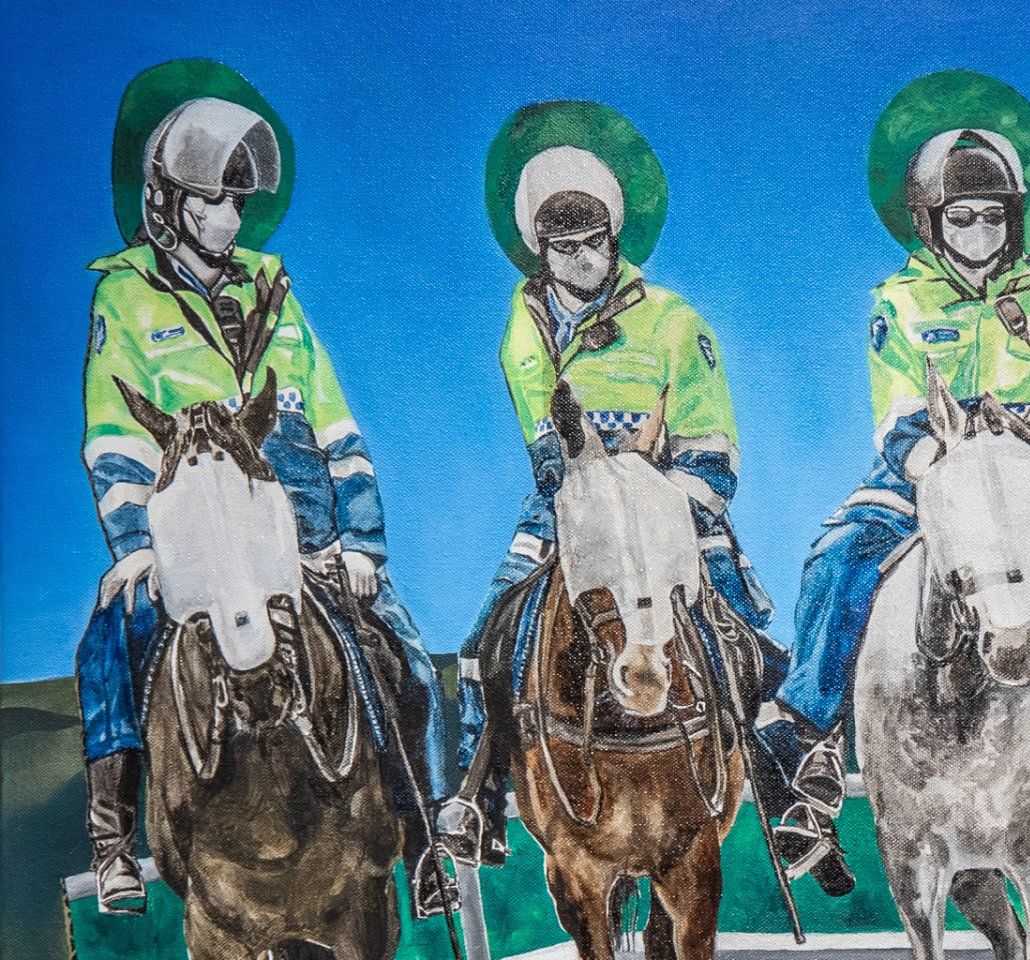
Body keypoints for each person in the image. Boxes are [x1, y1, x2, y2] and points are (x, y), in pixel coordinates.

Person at [759, 70, 1030, 889]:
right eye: (961, 217)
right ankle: (813, 739)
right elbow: (899, 415)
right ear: (932, 221)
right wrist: (947, 473)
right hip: (927, 477)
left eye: (993, 216)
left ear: (1015, 220)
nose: (979, 231)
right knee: (837, 556)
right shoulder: (899, 301)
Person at [80, 62, 449, 916]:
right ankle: (113, 845)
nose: (229, 216)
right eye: (213, 198)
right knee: (109, 638)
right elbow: (113, 436)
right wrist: (136, 549)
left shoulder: (274, 289)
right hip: (197, 535)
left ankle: (428, 836)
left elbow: (336, 426)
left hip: (307, 531)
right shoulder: (124, 298)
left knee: (405, 656)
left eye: (237, 201)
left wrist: (362, 542)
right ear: (169, 201)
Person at [437, 103, 809, 879]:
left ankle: (787, 796)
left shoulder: (675, 321)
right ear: (541, 250)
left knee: (740, 629)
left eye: (592, 242)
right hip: (570, 505)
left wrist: (661, 497)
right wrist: (578, 486)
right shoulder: (526, 323)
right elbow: (542, 432)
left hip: (668, 501)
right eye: (561, 247)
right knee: (491, 631)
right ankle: (475, 800)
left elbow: (712, 448)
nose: (579, 259)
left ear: (615, 238)